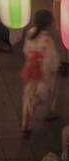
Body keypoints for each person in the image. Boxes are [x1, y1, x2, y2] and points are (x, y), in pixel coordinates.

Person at [21, 10, 60, 138]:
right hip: (43, 75)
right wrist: (56, 68)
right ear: (48, 24)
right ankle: (47, 112)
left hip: (31, 71)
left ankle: (26, 125)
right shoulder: (47, 41)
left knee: (28, 97)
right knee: (43, 96)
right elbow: (52, 62)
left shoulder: (30, 34)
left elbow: (26, 51)